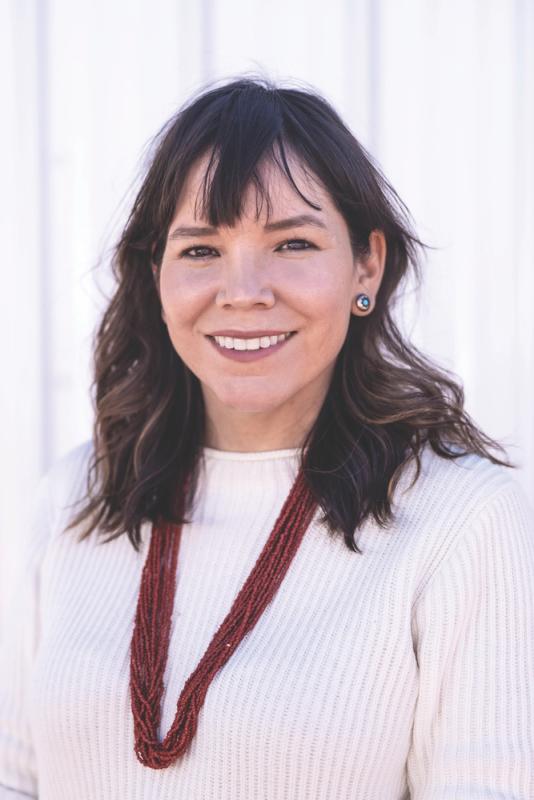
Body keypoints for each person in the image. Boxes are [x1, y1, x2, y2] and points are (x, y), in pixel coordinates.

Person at [1, 75, 533, 800]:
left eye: (291, 242)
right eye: (200, 250)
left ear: (366, 265)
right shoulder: (76, 496)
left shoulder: (462, 517)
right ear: (155, 272)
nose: (244, 291)